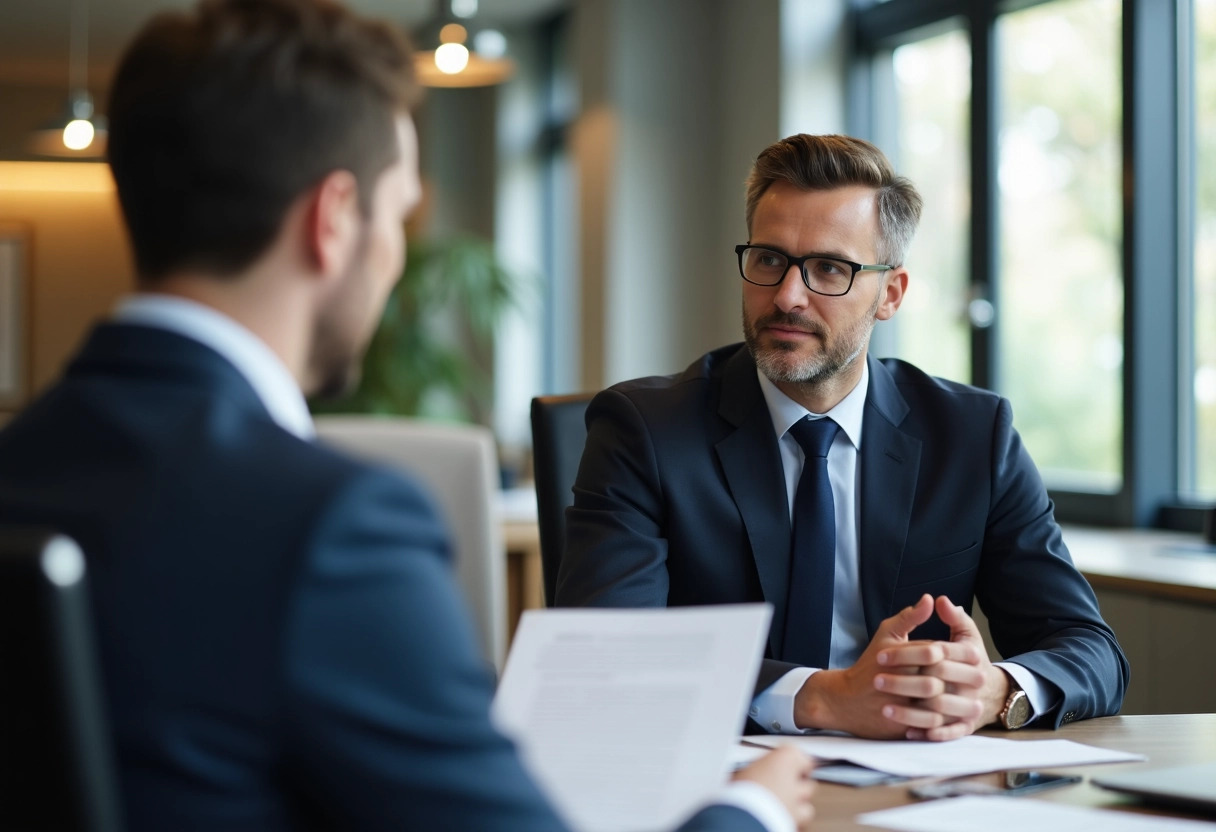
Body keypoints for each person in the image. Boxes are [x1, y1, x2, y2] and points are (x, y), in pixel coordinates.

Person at [0, 1, 815, 830]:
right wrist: (750, 811)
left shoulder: (22, 465)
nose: (395, 251)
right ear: (332, 220)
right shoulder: (330, 528)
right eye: (397, 213)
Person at [557, 133, 1129, 742]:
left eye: (829, 268)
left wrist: (997, 690)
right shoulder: (645, 429)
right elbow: (607, 654)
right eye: (769, 259)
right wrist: (824, 698)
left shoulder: (972, 435)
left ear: (891, 294)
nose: (786, 296)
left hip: (912, 786)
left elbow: (1090, 649)